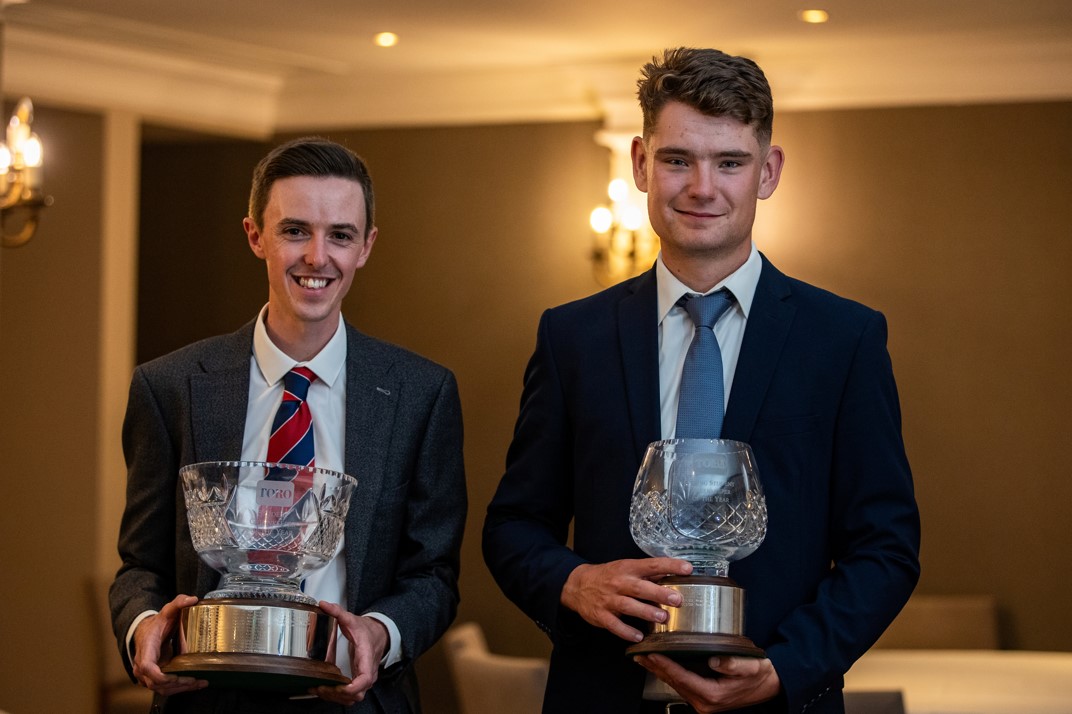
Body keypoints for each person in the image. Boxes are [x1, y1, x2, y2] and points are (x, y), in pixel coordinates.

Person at [483, 48, 919, 714]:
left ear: (767, 172)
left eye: (729, 163)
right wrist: (572, 583)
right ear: (639, 164)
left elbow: (883, 547)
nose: (700, 188)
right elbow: (514, 524)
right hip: (601, 698)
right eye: (677, 160)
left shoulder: (843, 339)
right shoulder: (571, 337)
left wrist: (785, 667)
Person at [109, 137, 467, 714]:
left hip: (357, 701)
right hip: (207, 701)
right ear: (256, 235)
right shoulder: (169, 386)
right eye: (295, 230)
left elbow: (433, 575)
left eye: (341, 235)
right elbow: (140, 565)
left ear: (366, 246)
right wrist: (144, 627)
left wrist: (378, 635)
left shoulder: (421, 394)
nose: (317, 257)